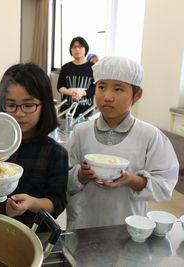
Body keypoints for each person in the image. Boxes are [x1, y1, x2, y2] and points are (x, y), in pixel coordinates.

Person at [66, 56, 179, 230]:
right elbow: (62, 176)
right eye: (101, 87)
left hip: (126, 224)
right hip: (83, 222)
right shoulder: (81, 131)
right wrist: (81, 175)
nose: (107, 96)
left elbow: (165, 184)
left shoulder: (149, 136)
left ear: (137, 94)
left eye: (118, 89)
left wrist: (131, 180)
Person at [0, 63, 68, 231]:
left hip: (35, 233)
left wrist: (31, 203)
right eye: (11, 105)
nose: (19, 113)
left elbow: (57, 202)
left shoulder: (55, 153)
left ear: (44, 105)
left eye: (28, 105)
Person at [57, 36, 95, 118]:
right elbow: (60, 87)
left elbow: (96, 87)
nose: (77, 49)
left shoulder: (93, 67)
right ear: (71, 50)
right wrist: (71, 93)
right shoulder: (66, 67)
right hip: (67, 109)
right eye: (74, 47)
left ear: (86, 49)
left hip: (86, 110)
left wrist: (82, 93)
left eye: (80, 47)